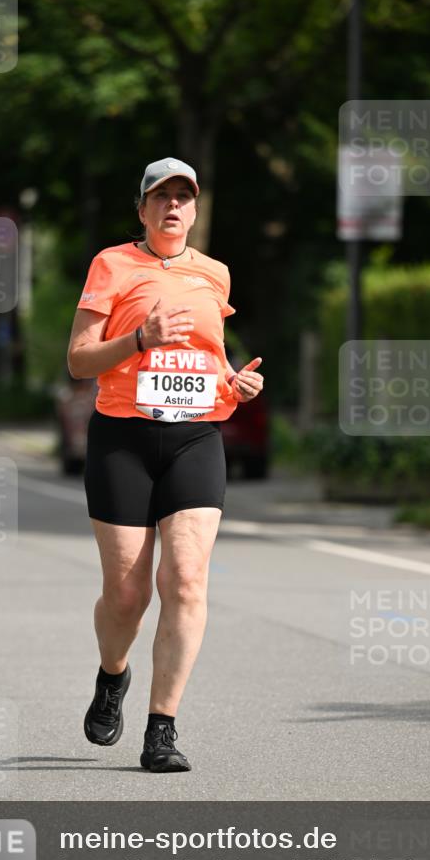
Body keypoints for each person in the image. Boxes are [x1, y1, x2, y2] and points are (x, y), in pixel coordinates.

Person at [67, 157, 264, 772]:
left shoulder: (215, 274)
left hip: (195, 437)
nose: (173, 207)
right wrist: (140, 340)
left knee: (184, 580)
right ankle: (112, 673)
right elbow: (78, 361)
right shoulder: (112, 265)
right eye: (162, 197)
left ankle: (162, 729)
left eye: (184, 197)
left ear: (196, 209)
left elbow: (210, 354)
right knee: (126, 597)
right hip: (122, 439)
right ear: (143, 208)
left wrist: (233, 382)